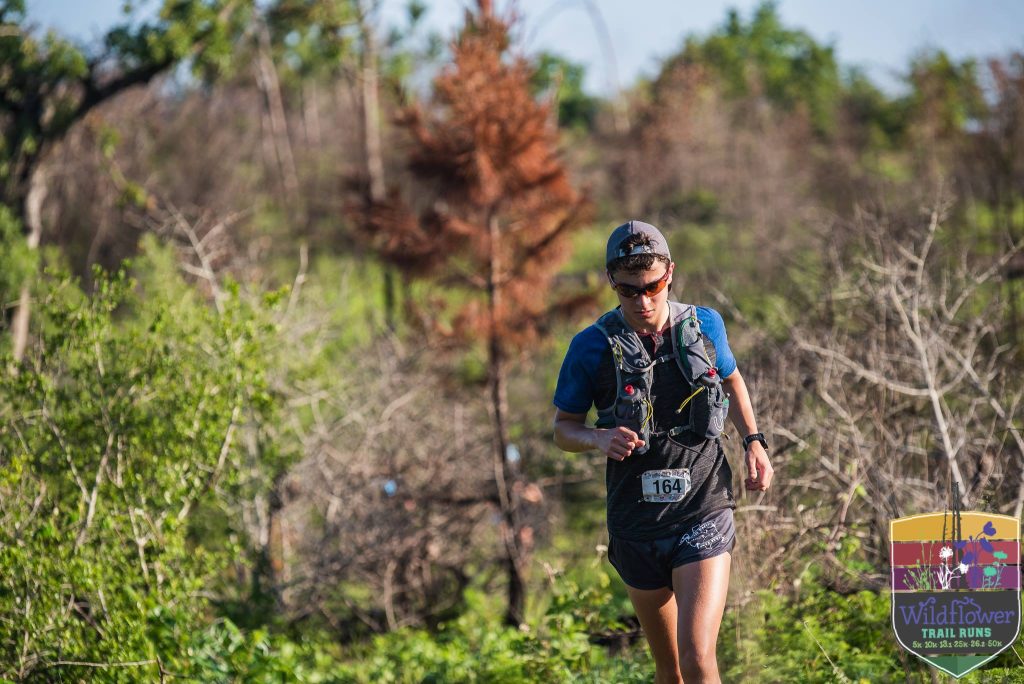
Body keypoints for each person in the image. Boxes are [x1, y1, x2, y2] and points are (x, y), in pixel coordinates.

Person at [552, 220, 773, 683]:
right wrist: (598, 438)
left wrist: (754, 441)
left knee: (697, 657)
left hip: (702, 508)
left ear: (670, 272)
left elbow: (731, 380)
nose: (644, 301)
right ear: (612, 282)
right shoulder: (589, 347)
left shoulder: (705, 324)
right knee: (669, 670)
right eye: (629, 290)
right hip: (636, 522)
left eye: (653, 286)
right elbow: (563, 429)